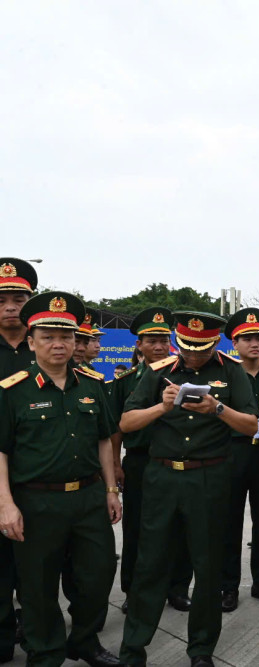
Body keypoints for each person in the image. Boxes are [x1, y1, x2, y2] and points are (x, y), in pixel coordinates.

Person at [118, 311, 259, 667]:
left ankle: (201, 651)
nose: (194, 355)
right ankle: (133, 649)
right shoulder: (157, 371)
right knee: (150, 566)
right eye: (187, 347)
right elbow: (126, 422)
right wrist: (160, 407)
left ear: (215, 343)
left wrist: (218, 408)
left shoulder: (232, 371)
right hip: (162, 477)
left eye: (202, 348)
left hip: (209, 479)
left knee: (207, 567)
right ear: (178, 341)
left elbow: (250, 426)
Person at [0, 291, 122, 667]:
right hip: (36, 501)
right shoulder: (12, 391)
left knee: (98, 576)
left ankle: (83, 641)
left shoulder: (91, 386)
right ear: (32, 340)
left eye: (66, 337)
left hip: (88, 498)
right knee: (37, 586)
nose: (59, 344)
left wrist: (111, 490)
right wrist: (6, 504)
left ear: (76, 341)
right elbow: (1, 451)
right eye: (49, 337)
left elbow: (104, 439)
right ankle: (46, 651)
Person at [108, 308, 193, 616]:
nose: (159, 347)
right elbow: (116, 427)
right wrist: (117, 465)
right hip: (141, 462)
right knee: (137, 530)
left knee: (180, 527)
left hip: (176, 462)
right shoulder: (125, 381)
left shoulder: (182, 375)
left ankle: (178, 588)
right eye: (152, 341)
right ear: (139, 345)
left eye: (164, 340)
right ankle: (134, 589)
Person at [220, 308, 259, 612]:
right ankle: (229, 586)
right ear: (235, 343)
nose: (255, 343)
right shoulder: (228, 374)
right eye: (247, 338)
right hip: (234, 451)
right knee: (229, 521)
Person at [0, 257, 36, 662]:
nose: (10, 306)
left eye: (19, 298)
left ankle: (36, 626)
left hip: (37, 473)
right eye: (3, 299)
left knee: (37, 562)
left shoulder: (43, 344)